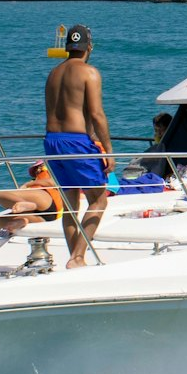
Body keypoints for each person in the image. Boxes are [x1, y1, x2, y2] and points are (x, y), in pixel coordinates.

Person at [43, 23, 114, 267]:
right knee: (98, 199)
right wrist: (108, 150)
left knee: (71, 205)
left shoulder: (54, 73)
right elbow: (96, 114)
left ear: (67, 48)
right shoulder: (89, 72)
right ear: (89, 47)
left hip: (52, 142)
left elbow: (67, 109)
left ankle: (75, 260)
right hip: (76, 142)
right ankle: (78, 257)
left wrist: (91, 136)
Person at [0, 160, 63, 235]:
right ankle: (22, 220)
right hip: (42, 218)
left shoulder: (52, 172)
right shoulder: (36, 180)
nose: (37, 171)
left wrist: (29, 184)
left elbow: (53, 182)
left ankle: (28, 205)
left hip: (45, 199)